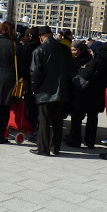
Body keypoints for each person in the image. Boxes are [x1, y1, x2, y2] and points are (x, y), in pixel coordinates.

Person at [30, 26, 71, 156]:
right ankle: (55, 147)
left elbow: (35, 73)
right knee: (58, 121)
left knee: (44, 121)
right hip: (61, 91)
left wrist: (34, 88)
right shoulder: (65, 49)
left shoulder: (39, 51)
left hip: (45, 91)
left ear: (41, 38)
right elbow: (71, 70)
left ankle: (43, 148)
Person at [66, 40, 107, 148]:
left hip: (83, 93)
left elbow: (82, 75)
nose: (74, 52)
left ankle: (75, 140)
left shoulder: (92, 62)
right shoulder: (104, 61)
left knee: (78, 118)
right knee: (92, 118)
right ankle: (89, 141)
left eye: (75, 50)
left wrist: (80, 70)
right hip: (96, 94)